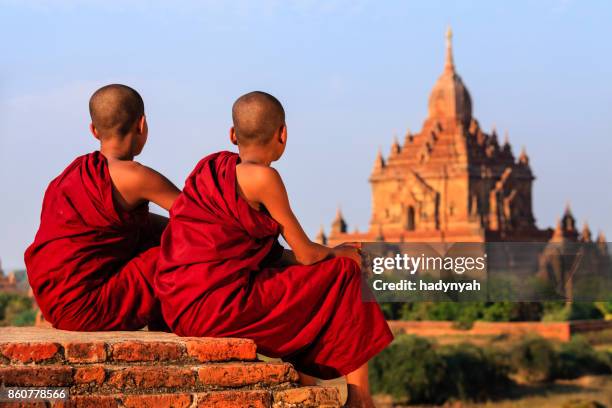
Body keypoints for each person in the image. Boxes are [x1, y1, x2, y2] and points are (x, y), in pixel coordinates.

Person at [155, 91, 392, 407]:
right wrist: (340, 253)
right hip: (220, 308)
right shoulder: (265, 178)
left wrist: (325, 256)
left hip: (179, 306)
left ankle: (305, 382)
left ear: (232, 135)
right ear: (283, 135)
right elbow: (307, 253)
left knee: (300, 279)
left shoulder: (210, 169)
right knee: (347, 272)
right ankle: (361, 399)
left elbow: (275, 255)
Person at [25, 84, 180, 331]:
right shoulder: (136, 176)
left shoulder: (70, 176)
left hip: (54, 304)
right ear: (142, 125)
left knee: (160, 233)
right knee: (185, 253)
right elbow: (198, 217)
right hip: (88, 307)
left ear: (94, 130)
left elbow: (143, 224)